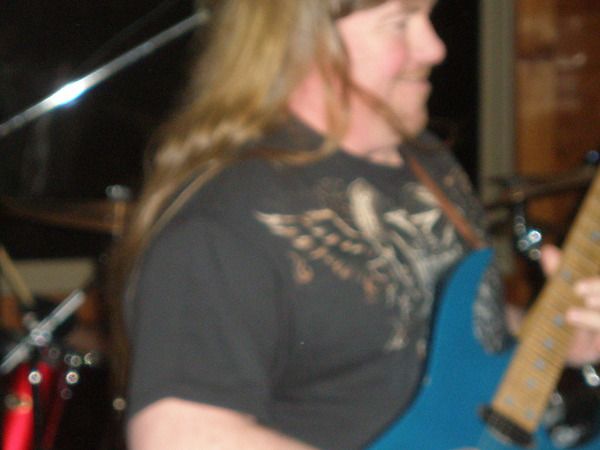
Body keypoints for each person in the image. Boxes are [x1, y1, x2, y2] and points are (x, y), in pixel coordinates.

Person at [116, 1, 600, 449]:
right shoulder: (225, 219)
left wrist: (549, 332)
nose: (435, 48)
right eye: (399, 22)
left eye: (428, 16)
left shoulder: (427, 159)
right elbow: (177, 433)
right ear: (301, 40)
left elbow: (410, 321)